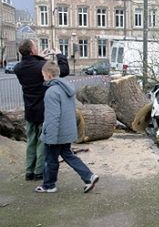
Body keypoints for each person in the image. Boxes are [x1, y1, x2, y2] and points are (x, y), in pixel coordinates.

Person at [35, 61, 99, 193]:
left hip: (56, 133)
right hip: (67, 131)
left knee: (50, 159)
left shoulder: (52, 92)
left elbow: (53, 117)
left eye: (42, 75)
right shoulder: (66, 88)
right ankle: (89, 176)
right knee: (68, 156)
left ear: (48, 74)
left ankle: (49, 185)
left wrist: (50, 137)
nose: (42, 77)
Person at [14, 39, 70, 181]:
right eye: (36, 47)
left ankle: (29, 171)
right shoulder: (42, 65)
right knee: (41, 141)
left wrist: (41, 59)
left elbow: (31, 67)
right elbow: (64, 71)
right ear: (32, 50)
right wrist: (59, 55)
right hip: (44, 109)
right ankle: (39, 171)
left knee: (31, 140)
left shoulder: (18, 68)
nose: (38, 48)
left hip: (29, 109)